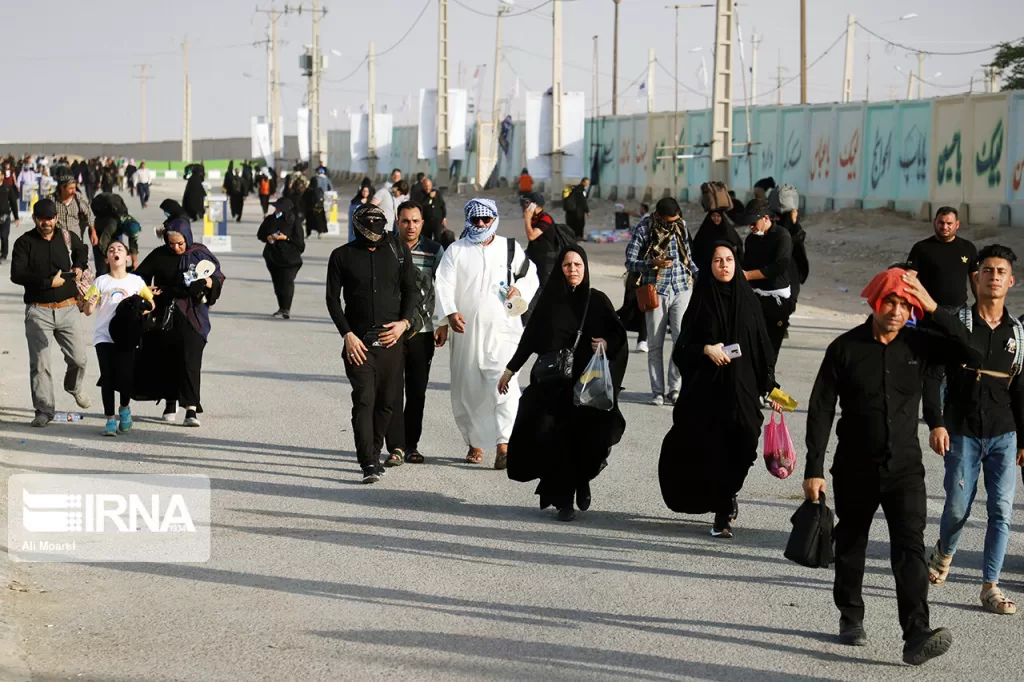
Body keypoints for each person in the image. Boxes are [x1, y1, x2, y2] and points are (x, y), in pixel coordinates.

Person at [804, 267, 976, 665]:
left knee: (910, 551)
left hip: (905, 470)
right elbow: (821, 409)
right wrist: (814, 467)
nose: (897, 311)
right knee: (851, 544)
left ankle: (916, 633)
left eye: (905, 304)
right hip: (855, 467)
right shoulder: (844, 348)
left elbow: (971, 352)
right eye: (891, 302)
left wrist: (932, 307)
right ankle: (850, 615)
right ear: (875, 302)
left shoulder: (919, 344)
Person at [923, 244, 1023, 616]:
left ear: (1010, 281)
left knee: (1002, 510)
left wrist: (1023, 439)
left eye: (1000, 272)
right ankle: (944, 552)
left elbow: (1021, 390)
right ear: (975, 278)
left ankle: (991, 586)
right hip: (961, 431)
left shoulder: (1018, 334)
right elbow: (932, 377)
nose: (993, 277)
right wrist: (935, 421)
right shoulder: (956, 323)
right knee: (957, 507)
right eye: (987, 271)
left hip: (1004, 434)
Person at [658, 242, 780, 536]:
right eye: (717, 260)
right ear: (709, 266)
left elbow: (763, 349)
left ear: (736, 264)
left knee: (746, 443)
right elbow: (682, 349)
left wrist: (772, 388)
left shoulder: (750, 302)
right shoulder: (701, 301)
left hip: (743, 393)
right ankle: (723, 510)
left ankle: (729, 492)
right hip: (707, 394)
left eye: (728, 260)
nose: (724, 265)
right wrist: (706, 349)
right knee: (712, 451)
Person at [503, 245, 628, 521]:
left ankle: (581, 481)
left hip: (587, 388)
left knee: (587, 440)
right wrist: (510, 370)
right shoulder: (550, 301)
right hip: (554, 388)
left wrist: (606, 343)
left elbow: (618, 335)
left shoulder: (597, 301)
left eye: (578, 265)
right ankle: (564, 500)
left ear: (585, 268)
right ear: (560, 268)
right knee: (554, 440)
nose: (572, 270)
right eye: (567, 265)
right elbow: (530, 339)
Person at [434, 198, 540, 467]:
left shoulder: (509, 248)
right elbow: (443, 284)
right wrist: (447, 318)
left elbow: (531, 275)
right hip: (466, 333)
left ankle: (503, 444)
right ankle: (475, 442)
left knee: (506, 385)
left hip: (503, 331)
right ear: (469, 220)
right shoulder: (456, 251)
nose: (481, 224)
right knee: (468, 388)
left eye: (486, 219)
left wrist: (520, 291)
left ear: (494, 219)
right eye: (476, 220)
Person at [325, 205, 418, 484]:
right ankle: (367, 461)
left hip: (392, 341)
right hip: (359, 343)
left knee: (387, 402)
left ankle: (375, 452)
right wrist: (347, 334)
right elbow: (332, 299)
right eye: (369, 225)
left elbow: (411, 289)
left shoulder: (399, 251)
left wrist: (404, 323)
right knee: (365, 399)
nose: (375, 232)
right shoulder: (341, 256)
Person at [134, 219, 225, 427]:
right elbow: (139, 278)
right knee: (167, 358)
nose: (175, 247)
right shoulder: (159, 254)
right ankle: (170, 401)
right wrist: (149, 291)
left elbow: (217, 276)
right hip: (165, 313)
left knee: (191, 361)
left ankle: (191, 408)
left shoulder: (200, 253)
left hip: (193, 315)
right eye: (171, 243)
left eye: (180, 243)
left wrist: (207, 282)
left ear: (188, 238)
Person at [9, 199, 92, 427]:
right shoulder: (24, 243)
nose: (46, 222)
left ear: (56, 218)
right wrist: (47, 282)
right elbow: (17, 274)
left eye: (50, 218)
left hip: (67, 308)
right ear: (35, 218)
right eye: (42, 218)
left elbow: (82, 250)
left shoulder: (66, 237)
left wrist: (79, 265)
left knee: (79, 358)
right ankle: (44, 410)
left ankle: (73, 386)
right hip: (38, 311)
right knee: (40, 364)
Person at [383, 201, 444, 466]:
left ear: (422, 222)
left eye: (416, 221)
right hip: (391, 331)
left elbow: (442, 289)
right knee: (392, 391)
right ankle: (395, 446)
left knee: (417, 391)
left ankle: (411, 445)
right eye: (406, 221)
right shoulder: (386, 248)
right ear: (397, 221)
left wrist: (443, 324)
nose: (411, 226)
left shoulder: (434, 250)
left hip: (423, 331)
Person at [624, 197, 697, 406]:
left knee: (681, 342)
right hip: (656, 291)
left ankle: (675, 389)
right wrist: (652, 263)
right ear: (658, 216)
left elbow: (688, 256)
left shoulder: (681, 225)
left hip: (682, 288)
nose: (673, 224)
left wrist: (699, 276)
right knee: (655, 344)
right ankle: (657, 391)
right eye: (668, 221)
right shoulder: (644, 228)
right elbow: (630, 261)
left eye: (676, 219)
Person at [83, 241, 154, 437]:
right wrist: (88, 303)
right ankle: (109, 420)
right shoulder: (100, 282)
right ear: (107, 259)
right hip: (104, 334)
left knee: (125, 376)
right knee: (107, 377)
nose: (115, 252)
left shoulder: (136, 282)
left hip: (127, 335)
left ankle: (124, 409)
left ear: (127, 258)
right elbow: (88, 311)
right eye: (111, 250)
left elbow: (151, 304)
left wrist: (140, 308)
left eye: (120, 249)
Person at [742, 209, 793, 359]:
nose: (751, 227)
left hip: (777, 300)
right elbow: (747, 264)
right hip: (755, 298)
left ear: (765, 218)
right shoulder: (751, 240)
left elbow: (779, 266)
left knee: (770, 352)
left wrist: (748, 275)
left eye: (753, 223)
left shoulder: (782, 236)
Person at [906, 206, 978, 309]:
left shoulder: (967, 247)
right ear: (934, 222)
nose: (944, 227)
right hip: (928, 310)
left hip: (959, 310)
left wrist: (980, 305)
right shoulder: (921, 247)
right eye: (941, 223)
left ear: (957, 224)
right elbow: (909, 277)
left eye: (949, 224)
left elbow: (975, 280)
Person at [257, 197, 305, 320]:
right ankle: (281, 307)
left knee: (287, 282)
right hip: (273, 257)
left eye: (279, 208)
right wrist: (268, 237)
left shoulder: (294, 221)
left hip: (290, 259)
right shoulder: (270, 219)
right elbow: (260, 234)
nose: (276, 210)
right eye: (276, 207)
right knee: (278, 283)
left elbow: (300, 243)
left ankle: (287, 309)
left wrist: (286, 238)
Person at [51, 169, 96, 251]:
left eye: (75, 188)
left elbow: (89, 214)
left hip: (76, 238)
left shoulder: (78, 198)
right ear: (62, 188)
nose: (74, 191)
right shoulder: (52, 200)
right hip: (58, 239)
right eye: (70, 188)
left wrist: (93, 232)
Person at [522, 192, 561, 288]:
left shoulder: (545, 218)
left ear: (533, 204)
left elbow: (531, 236)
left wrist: (527, 219)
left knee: (544, 286)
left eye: (527, 203)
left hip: (546, 258)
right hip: (535, 255)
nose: (525, 205)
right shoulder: (534, 218)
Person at [691, 209, 743, 277]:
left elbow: (738, 245)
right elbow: (697, 249)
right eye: (713, 216)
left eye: (718, 216)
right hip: (706, 270)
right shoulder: (704, 232)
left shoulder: (727, 231)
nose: (716, 218)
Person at [778, 207, 808, 307]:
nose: (796, 214)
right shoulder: (780, 230)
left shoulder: (794, 228)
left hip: (791, 267)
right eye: (794, 212)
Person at [420, 177, 447, 242]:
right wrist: (429, 197)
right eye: (425, 186)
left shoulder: (437, 193)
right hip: (426, 221)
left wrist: (444, 217)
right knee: (427, 239)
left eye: (429, 186)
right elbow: (421, 205)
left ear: (431, 186)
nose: (427, 188)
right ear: (423, 186)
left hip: (437, 220)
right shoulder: (420, 194)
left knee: (438, 238)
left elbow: (442, 205)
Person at [0, 170, 18, 264]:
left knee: (4, 236)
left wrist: (16, 217)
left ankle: (3, 255)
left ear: (2, 176)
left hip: (5, 216)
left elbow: (13, 203)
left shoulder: (7, 188)